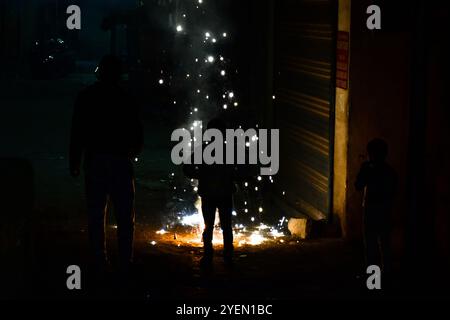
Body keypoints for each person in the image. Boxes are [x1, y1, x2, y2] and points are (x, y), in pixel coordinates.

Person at [70, 55, 143, 274]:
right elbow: (136, 132)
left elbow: (77, 132)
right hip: (120, 161)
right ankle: (124, 260)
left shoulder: (86, 97)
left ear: (100, 72)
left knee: (95, 213)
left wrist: (75, 160)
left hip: (96, 161)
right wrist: (132, 152)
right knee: (124, 215)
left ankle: (99, 259)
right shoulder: (126, 98)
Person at [183, 119, 237, 268]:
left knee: (209, 226)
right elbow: (239, 171)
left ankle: (208, 256)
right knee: (226, 226)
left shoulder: (203, 150)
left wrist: (200, 175)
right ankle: (227, 256)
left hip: (209, 194)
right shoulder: (230, 151)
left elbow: (187, 168)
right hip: (224, 194)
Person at [355, 138, 396, 274]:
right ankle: (386, 278)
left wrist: (366, 170)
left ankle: (374, 282)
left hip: (371, 211)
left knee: (372, 248)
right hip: (384, 212)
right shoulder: (389, 171)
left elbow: (358, 185)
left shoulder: (368, 168)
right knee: (385, 246)